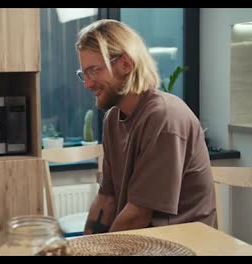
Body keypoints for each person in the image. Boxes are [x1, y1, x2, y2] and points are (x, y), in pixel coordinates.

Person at [75, 20, 217, 235]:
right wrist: (83, 247)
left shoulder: (165, 116)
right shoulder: (112, 119)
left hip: (184, 245)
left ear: (125, 64)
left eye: (94, 70)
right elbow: (106, 199)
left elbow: (138, 215)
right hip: (144, 241)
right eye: (83, 73)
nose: (87, 83)